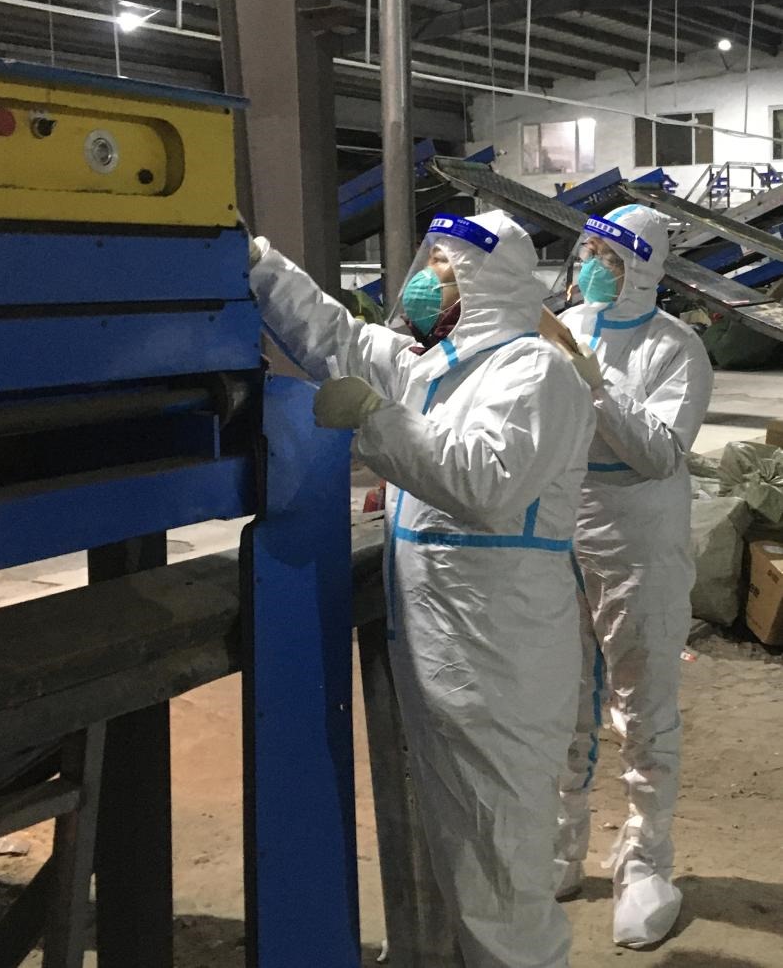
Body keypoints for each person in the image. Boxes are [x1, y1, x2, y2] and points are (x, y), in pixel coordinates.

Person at [249, 211, 595, 968]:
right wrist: (256, 259)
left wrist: (376, 420)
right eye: (430, 256)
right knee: (467, 864)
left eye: (443, 261)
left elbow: (485, 482)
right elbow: (335, 335)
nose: (425, 274)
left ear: (484, 279)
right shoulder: (429, 366)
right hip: (449, 657)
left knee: (502, 874)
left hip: (499, 666)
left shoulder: (535, 372)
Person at [553, 204, 714, 948]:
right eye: (589, 253)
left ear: (643, 268)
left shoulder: (676, 348)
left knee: (641, 705)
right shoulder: (566, 324)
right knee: (562, 699)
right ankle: (561, 844)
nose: (593, 268)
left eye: (610, 258)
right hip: (558, 530)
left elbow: (657, 452)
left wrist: (592, 385)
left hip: (638, 544)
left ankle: (645, 860)